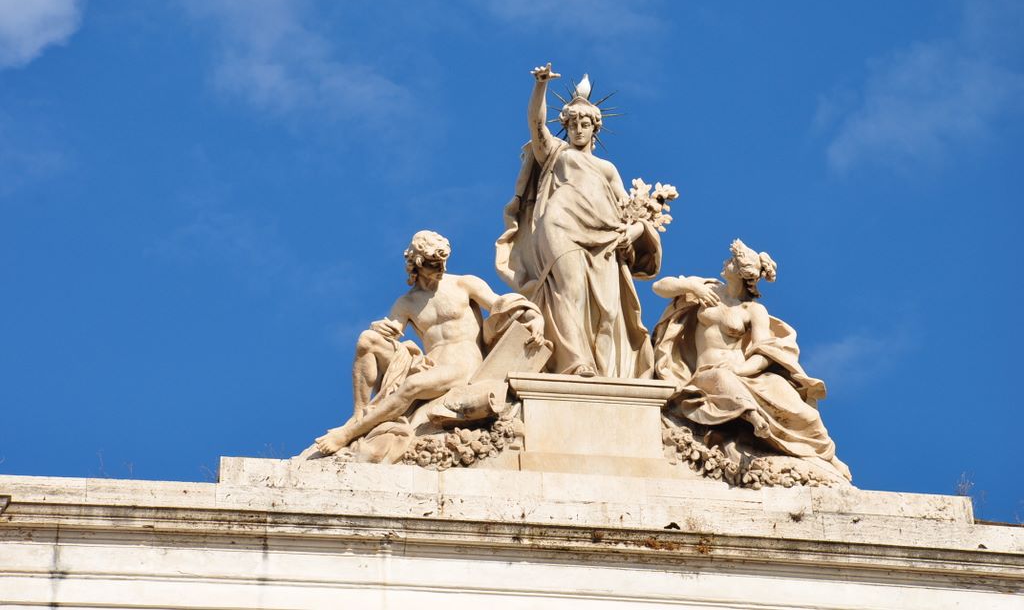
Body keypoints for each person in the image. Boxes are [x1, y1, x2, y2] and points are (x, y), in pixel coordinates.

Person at [495, 63, 660, 378]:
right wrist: (541, 86)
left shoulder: (607, 169)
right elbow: (536, 123)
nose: (578, 129)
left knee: (608, 310)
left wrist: (636, 229)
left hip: (605, 235)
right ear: (566, 127)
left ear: (594, 128)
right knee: (570, 291)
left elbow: (631, 212)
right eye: (572, 124)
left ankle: (606, 371)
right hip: (561, 225)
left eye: (585, 124)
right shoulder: (557, 153)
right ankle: (577, 361)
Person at [315, 230, 545, 456]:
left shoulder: (463, 284)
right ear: (417, 263)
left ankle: (346, 435)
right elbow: (390, 333)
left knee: (411, 385)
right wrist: (380, 329)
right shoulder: (406, 303)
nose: (440, 268)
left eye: (442, 262)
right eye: (433, 264)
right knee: (367, 339)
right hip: (430, 365)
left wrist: (534, 318)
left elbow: (501, 305)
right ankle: (358, 414)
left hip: (463, 364)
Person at [651, 239, 851, 480]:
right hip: (707, 372)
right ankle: (754, 418)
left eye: (731, 261)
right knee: (722, 378)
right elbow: (660, 286)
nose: (725, 263)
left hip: (743, 371)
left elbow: (764, 352)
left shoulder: (754, 310)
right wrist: (692, 287)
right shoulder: (707, 288)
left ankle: (825, 454)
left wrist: (742, 370)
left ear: (740, 272)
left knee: (792, 400)